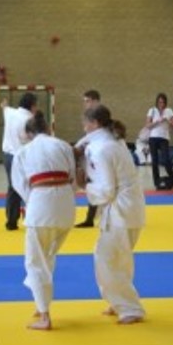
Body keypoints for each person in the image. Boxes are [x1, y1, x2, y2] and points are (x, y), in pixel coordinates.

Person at [77, 104, 145, 325]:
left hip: (120, 212)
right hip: (130, 209)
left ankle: (129, 308)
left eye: (85, 123)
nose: (83, 127)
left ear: (94, 123)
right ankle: (119, 302)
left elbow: (107, 190)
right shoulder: (114, 141)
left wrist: (84, 187)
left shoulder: (102, 149)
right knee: (120, 259)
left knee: (106, 258)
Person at [10, 111, 76, 331]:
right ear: (47, 129)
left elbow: (19, 185)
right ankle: (41, 303)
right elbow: (73, 176)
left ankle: (45, 315)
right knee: (47, 256)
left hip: (41, 206)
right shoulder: (63, 146)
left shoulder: (23, 152)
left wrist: (34, 201)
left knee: (35, 261)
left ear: (29, 134)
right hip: (66, 207)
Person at [1, 93, 38, 230]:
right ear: (32, 106)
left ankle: (11, 220)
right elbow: (29, 138)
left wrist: (4, 104)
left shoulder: (10, 112)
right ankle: (31, 216)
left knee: (13, 187)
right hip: (22, 157)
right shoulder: (29, 120)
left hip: (7, 156)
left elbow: (4, 107)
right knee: (29, 186)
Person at [74, 89, 102, 228]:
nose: (86, 104)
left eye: (88, 101)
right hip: (91, 155)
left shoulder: (101, 116)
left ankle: (92, 217)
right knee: (91, 185)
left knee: (99, 185)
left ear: (96, 101)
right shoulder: (88, 115)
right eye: (84, 101)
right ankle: (90, 217)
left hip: (100, 155)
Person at [145, 92, 173, 191]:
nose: (161, 104)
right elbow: (148, 125)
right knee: (154, 161)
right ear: (157, 102)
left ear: (165, 102)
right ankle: (157, 182)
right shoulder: (152, 110)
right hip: (153, 137)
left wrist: (167, 121)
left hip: (164, 138)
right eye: (159, 102)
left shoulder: (169, 111)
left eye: (163, 102)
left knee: (166, 160)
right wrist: (157, 121)